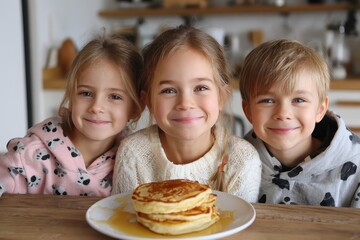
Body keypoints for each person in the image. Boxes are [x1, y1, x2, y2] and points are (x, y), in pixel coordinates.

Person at [112, 25, 262, 202]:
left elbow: (237, 226)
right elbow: (125, 219)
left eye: (200, 88)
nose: (185, 104)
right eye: (169, 90)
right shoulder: (133, 153)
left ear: (222, 97)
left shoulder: (242, 160)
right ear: (148, 101)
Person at [0, 33, 144, 197]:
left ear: (136, 108)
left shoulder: (135, 161)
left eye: (115, 97)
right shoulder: (29, 154)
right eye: (86, 93)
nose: (97, 107)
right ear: (71, 96)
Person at [239, 39, 360, 207]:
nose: (283, 114)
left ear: (320, 109)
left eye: (298, 99)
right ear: (248, 111)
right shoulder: (235, 163)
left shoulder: (357, 166)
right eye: (267, 100)